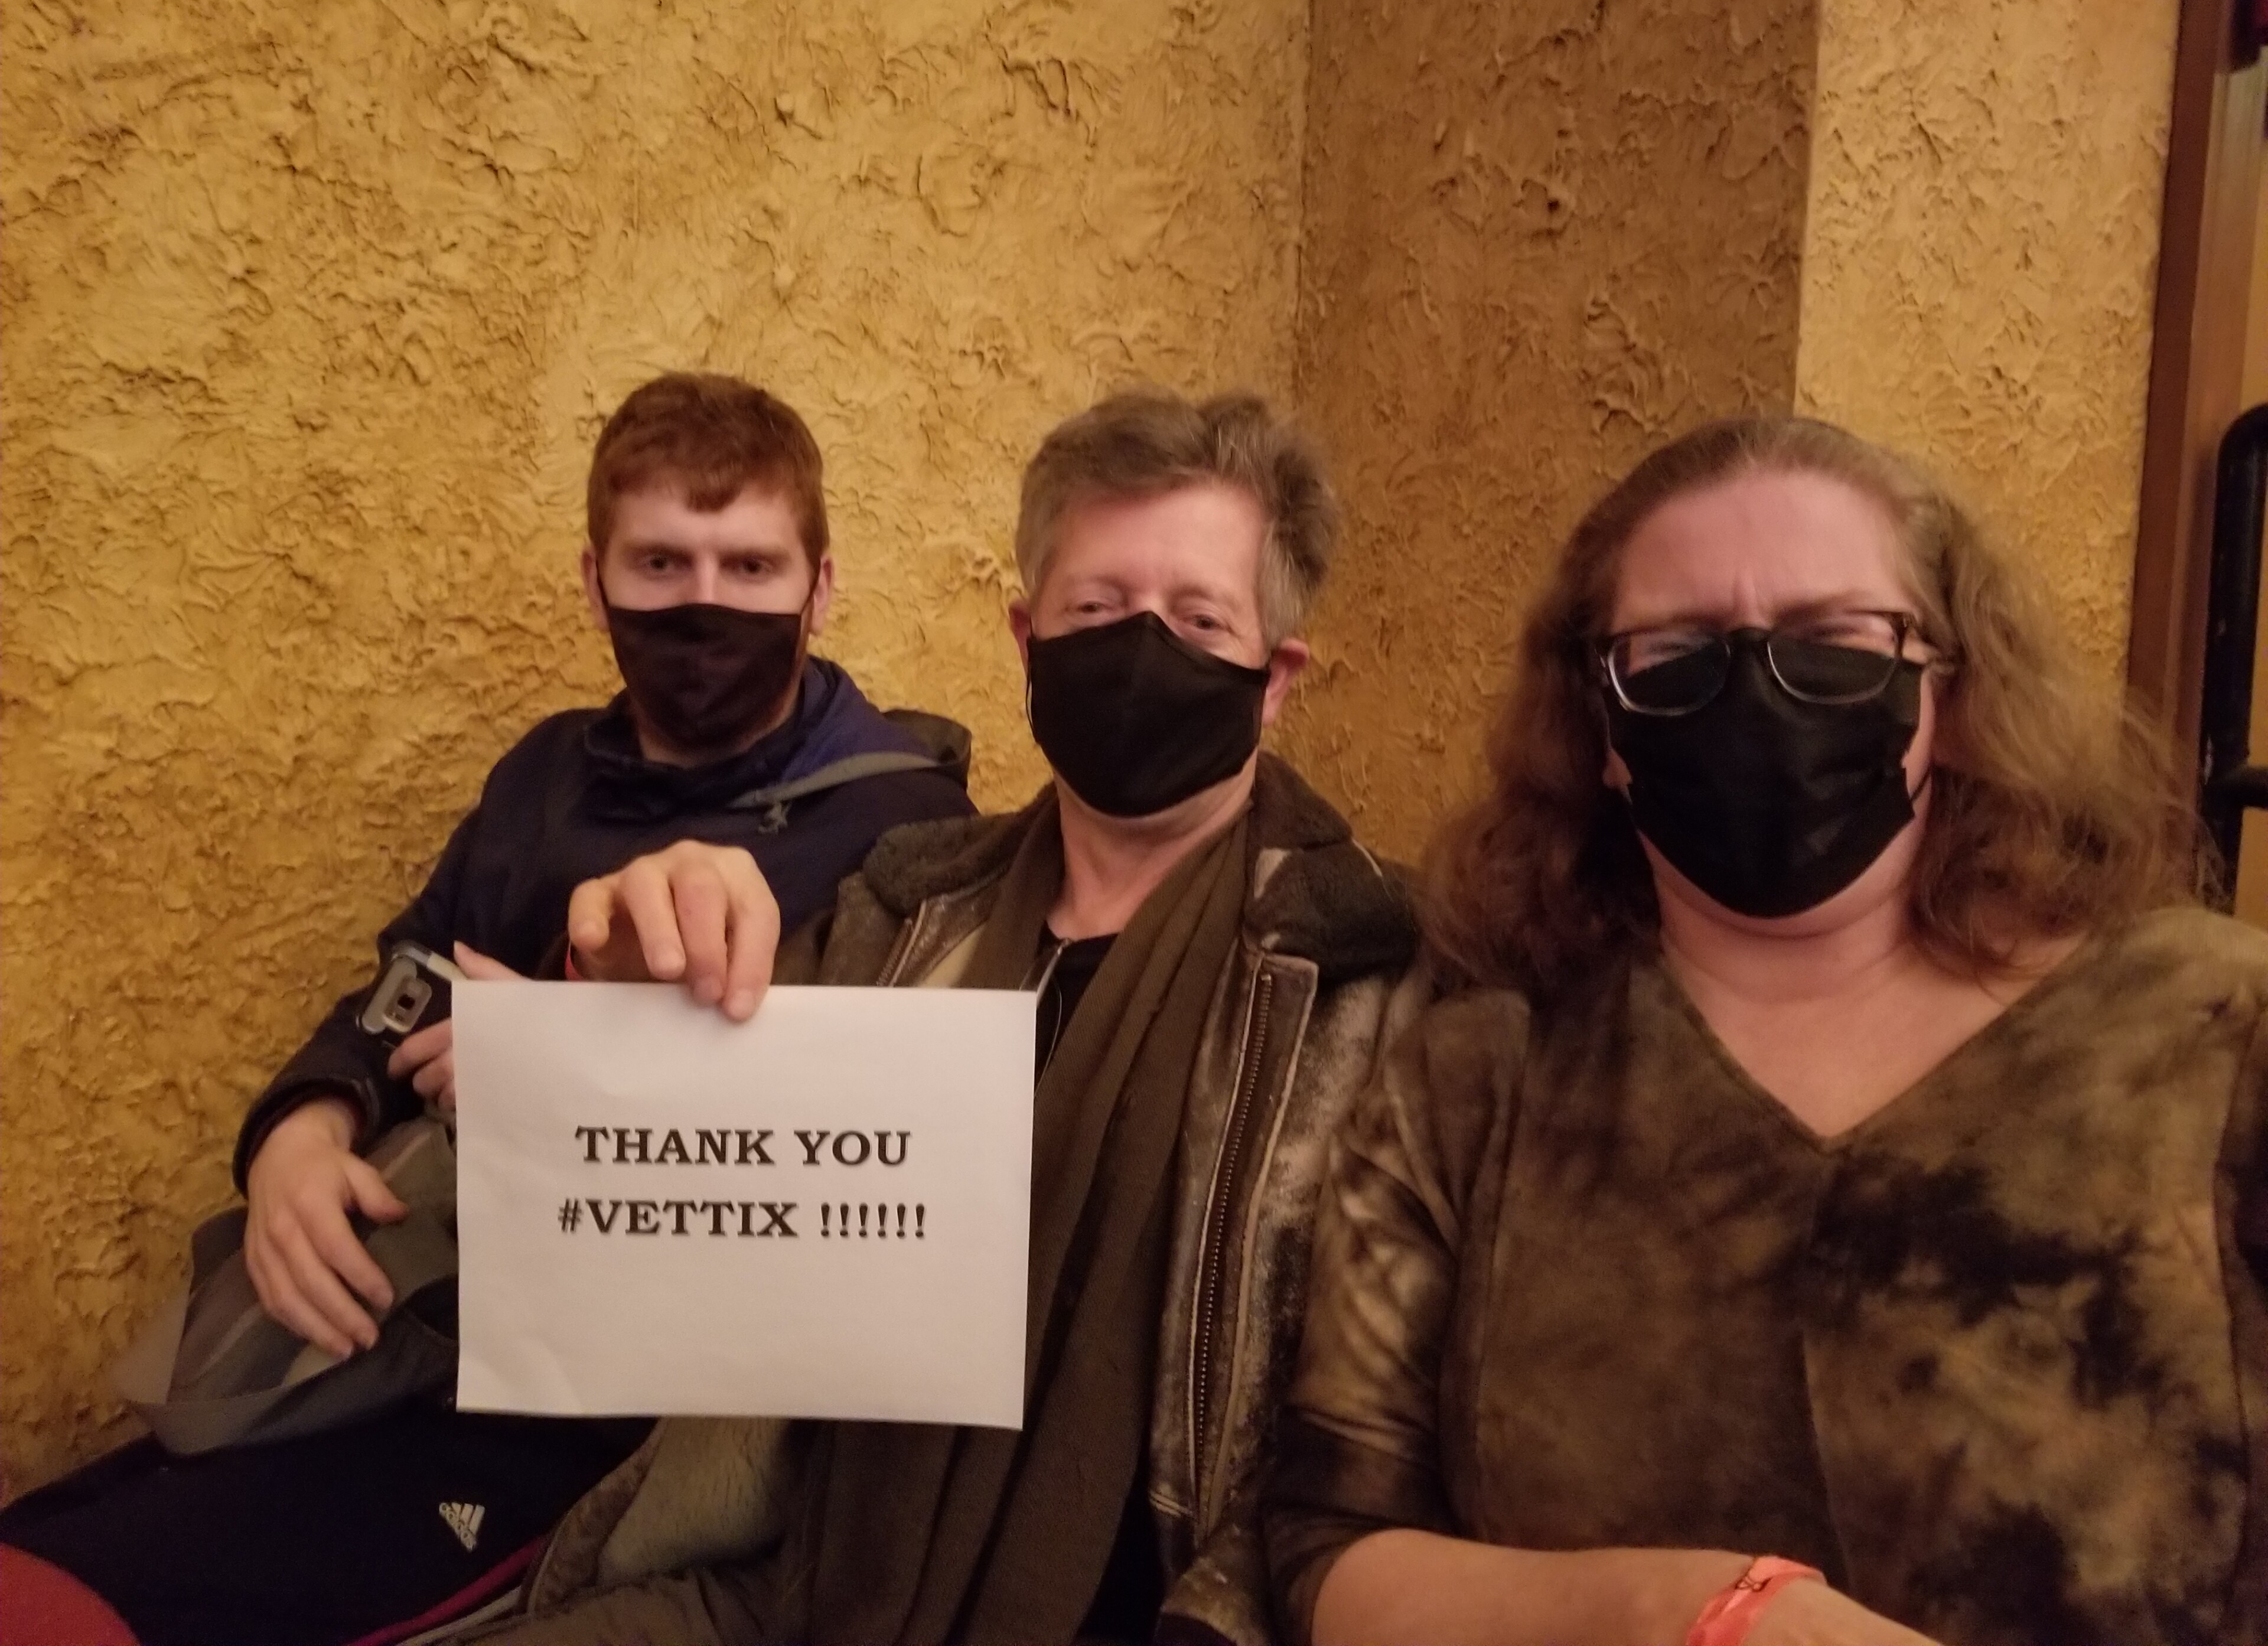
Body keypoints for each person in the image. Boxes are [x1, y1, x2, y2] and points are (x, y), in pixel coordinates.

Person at [0, 371, 975, 1646]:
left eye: (750, 566)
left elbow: (888, 1192)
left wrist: (578, 1068)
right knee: (39, 1554)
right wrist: (302, 1129)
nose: (705, 603)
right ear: (594, 584)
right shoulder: (546, 774)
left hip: (612, 1420)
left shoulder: (908, 831)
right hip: (407, 1315)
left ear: (821, 587)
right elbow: (411, 973)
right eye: (661, 564)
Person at [1263, 415, 2268, 1646]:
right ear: (1602, 731)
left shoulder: (2223, 1037)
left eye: (1834, 641)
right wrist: (1686, 1613)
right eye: (1674, 653)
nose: (1755, 695)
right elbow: (1328, 1552)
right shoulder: (1478, 1078)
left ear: (1952, 697)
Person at [462, 389, 1420, 1646]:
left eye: (1199, 620)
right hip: (796, 1579)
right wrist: (626, 994)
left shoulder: (1378, 980)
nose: (1142, 651)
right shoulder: (900, 910)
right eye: (1097, 610)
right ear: (1027, 640)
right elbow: (702, 1206)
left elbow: (1360, 1453)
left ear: (1276, 677)